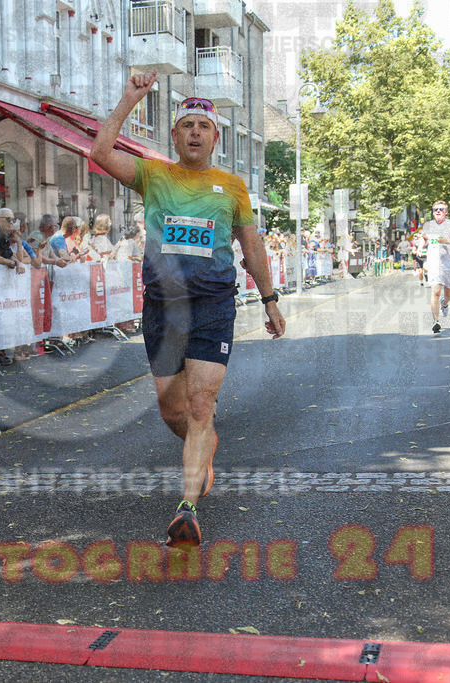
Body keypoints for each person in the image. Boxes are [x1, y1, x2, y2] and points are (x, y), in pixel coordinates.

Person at [91, 74, 285, 548]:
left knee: (202, 404)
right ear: (174, 135)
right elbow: (99, 154)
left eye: (204, 125)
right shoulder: (154, 174)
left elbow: (252, 244)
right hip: (163, 308)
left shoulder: (232, 187)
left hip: (213, 305)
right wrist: (129, 100)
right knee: (170, 406)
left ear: (216, 136)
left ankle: (187, 508)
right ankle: (201, 449)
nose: (195, 132)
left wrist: (269, 297)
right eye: (187, 125)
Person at [422, 201, 450, 334]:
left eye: (441, 209)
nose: (438, 211)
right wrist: (421, 245)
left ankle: (445, 303)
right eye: (435, 209)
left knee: (448, 293)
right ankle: (435, 321)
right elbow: (424, 238)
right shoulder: (428, 225)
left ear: (446, 212)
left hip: (449, 262)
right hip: (434, 262)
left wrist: (449, 241)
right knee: (435, 291)